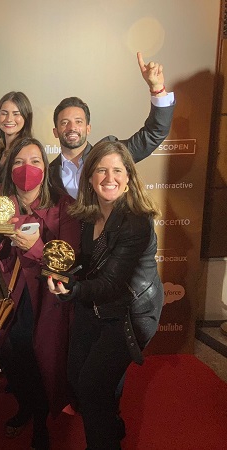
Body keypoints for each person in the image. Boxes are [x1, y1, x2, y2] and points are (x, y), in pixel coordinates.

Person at [48, 140, 164, 450]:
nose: (109, 178)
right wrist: (62, 273)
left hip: (130, 313)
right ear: (89, 178)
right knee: (76, 375)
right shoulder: (88, 214)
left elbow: (111, 282)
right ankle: (111, 426)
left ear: (128, 178)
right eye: (101, 170)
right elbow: (88, 264)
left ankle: (103, 442)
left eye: (117, 171)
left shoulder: (136, 221)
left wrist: (72, 289)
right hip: (96, 305)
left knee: (92, 386)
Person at [0, 137, 80, 449]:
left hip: (47, 297)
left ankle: (40, 422)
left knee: (42, 360)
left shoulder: (64, 205)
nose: (27, 168)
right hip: (11, 292)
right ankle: (26, 404)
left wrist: (36, 248)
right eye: (20, 162)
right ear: (10, 168)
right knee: (13, 358)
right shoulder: (0, 199)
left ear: (45, 167)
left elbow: (68, 262)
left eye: (35, 161)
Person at [49, 52, 175, 198]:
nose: (72, 128)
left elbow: (154, 133)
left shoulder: (110, 154)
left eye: (78, 122)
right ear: (55, 131)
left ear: (88, 128)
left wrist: (157, 89)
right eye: (65, 123)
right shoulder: (48, 174)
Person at [0, 91, 33, 188]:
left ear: (26, 118)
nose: (9, 119)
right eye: (4, 113)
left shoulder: (28, 151)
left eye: (16, 114)